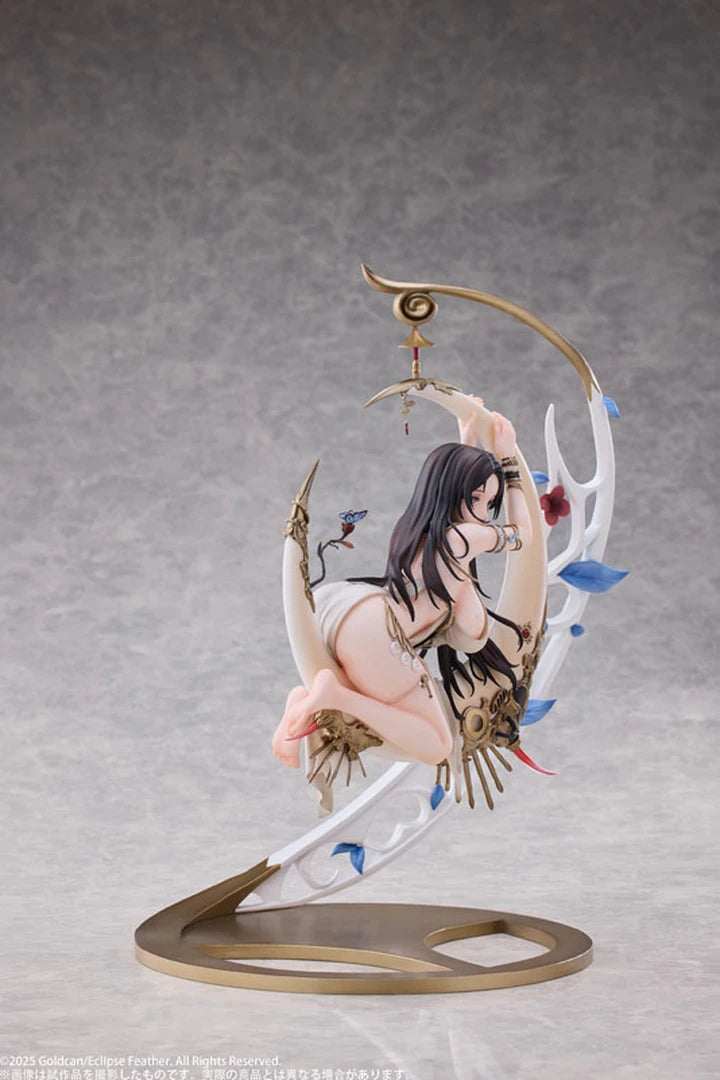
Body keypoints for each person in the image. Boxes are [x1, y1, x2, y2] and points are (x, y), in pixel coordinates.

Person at [272, 406, 532, 769]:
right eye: (476, 498)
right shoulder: (463, 537)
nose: (486, 513)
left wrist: (466, 444)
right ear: (452, 490)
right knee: (439, 745)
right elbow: (523, 535)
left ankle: (302, 704)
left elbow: (453, 494)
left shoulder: (424, 532)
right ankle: (334, 696)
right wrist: (508, 461)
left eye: (490, 503)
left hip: (353, 612)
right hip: (381, 636)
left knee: (381, 704)